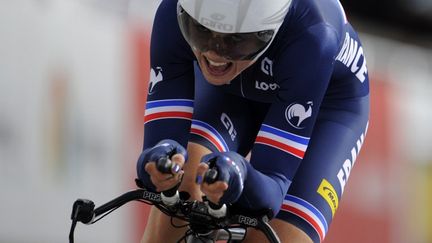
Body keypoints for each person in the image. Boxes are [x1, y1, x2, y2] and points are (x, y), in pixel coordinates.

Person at [136, 0, 370, 242]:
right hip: (234, 90)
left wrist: (240, 171)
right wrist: (159, 164)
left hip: (326, 107)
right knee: (183, 187)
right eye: (202, 31)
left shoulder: (316, 33)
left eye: (236, 41)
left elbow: (271, 193)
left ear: (267, 31)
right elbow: (157, 153)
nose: (214, 53)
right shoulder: (172, 11)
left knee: (277, 236)